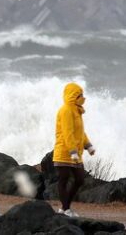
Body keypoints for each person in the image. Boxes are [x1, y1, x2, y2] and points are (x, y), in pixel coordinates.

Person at [52, 82, 95, 217]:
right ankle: (65, 210)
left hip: (75, 154)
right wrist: (73, 151)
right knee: (63, 179)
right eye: (80, 95)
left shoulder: (76, 111)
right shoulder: (66, 111)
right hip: (65, 152)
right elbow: (67, 133)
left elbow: (80, 132)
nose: (83, 98)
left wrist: (88, 145)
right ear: (72, 96)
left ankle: (65, 208)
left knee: (80, 179)